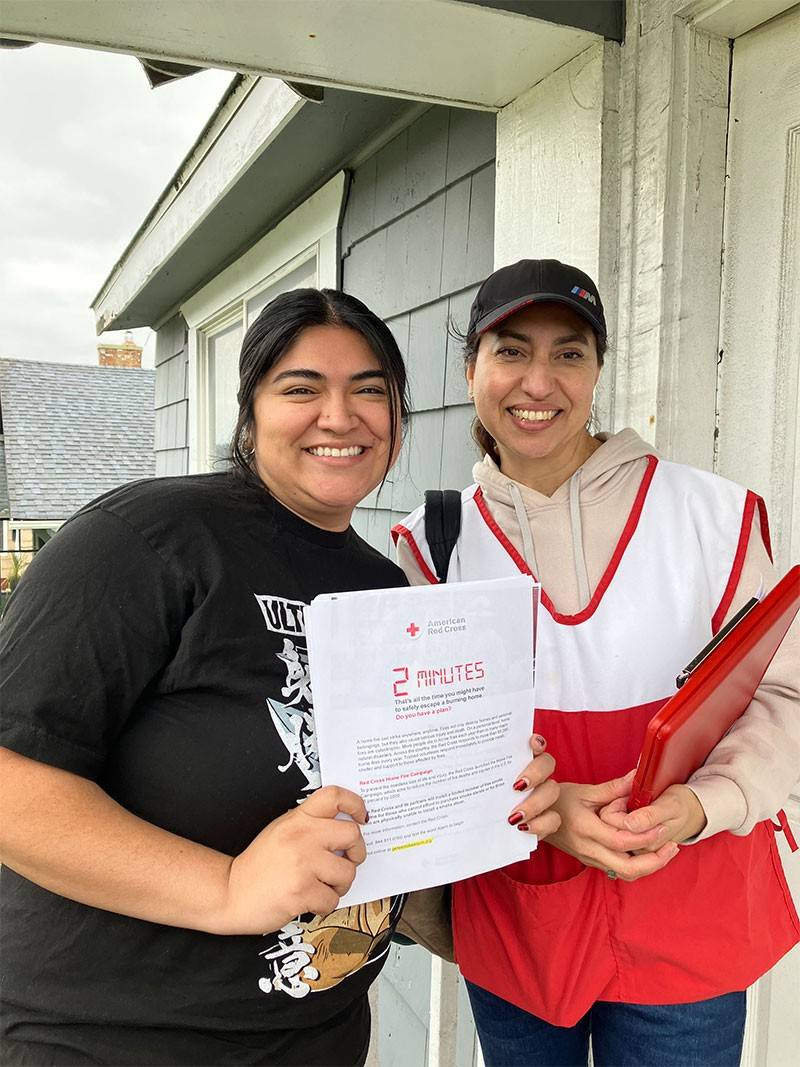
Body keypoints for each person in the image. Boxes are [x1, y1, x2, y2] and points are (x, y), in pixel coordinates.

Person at [0, 286, 558, 1067]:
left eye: (370, 390)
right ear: (250, 410)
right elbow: (14, 788)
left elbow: (392, 795)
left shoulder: (383, 587)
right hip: (118, 1040)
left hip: (318, 1037)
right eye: (301, 388)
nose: (341, 416)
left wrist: (489, 778)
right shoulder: (145, 540)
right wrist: (228, 887)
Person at [394, 260, 800, 1066]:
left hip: (691, 912)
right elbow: (420, 750)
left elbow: (785, 692)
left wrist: (701, 803)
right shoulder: (430, 547)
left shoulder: (714, 516)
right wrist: (544, 810)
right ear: (472, 369)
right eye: (511, 351)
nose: (538, 381)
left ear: (598, 370)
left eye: (569, 353)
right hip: (520, 917)